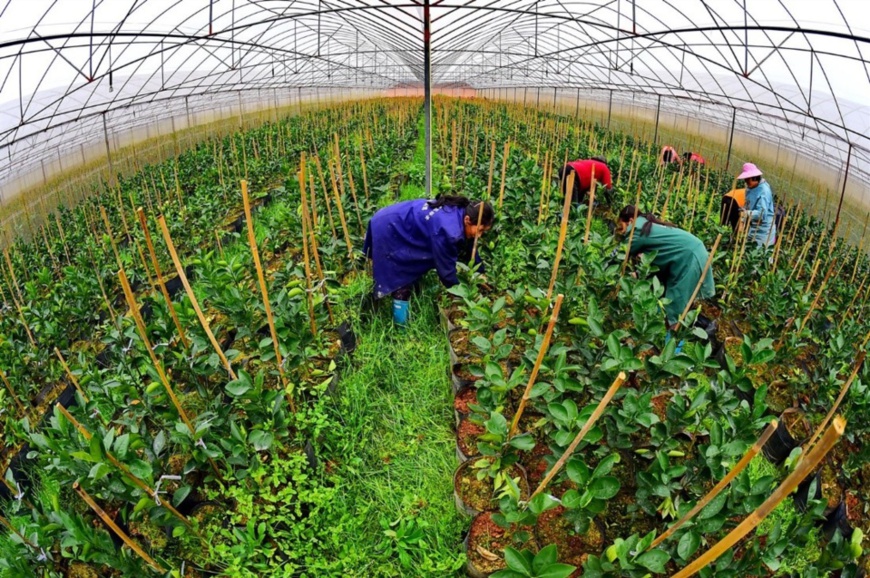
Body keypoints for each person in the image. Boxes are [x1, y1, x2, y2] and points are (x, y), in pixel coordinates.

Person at [362, 195, 494, 325]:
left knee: (412, 264)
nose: (479, 235)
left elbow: (471, 246)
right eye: (480, 230)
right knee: (400, 273)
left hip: (398, 217)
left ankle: (409, 294)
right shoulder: (449, 232)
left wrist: (480, 272)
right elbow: (446, 272)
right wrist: (465, 296)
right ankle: (399, 330)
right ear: (467, 220)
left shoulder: (462, 210)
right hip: (390, 227)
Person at [616, 205, 715, 330]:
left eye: (622, 227)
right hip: (693, 254)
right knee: (677, 303)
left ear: (630, 221)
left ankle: (674, 345)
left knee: (675, 308)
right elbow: (660, 255)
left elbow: (620, 253)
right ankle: (678, 336)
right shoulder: (648, 226)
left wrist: (606, 264)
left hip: (688, 260)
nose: (623, 232)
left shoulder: (636, 228)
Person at [736, 162, 776, 247]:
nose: (746, 182)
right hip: (753, 227)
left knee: (760, 254)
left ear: (754, 178)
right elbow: (747, 205)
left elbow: (761, 214)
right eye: (745, 179)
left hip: (764, 231)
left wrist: (745, 214)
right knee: (749, 250)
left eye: (748, 179)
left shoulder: (764, 191)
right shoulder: (750, 189)